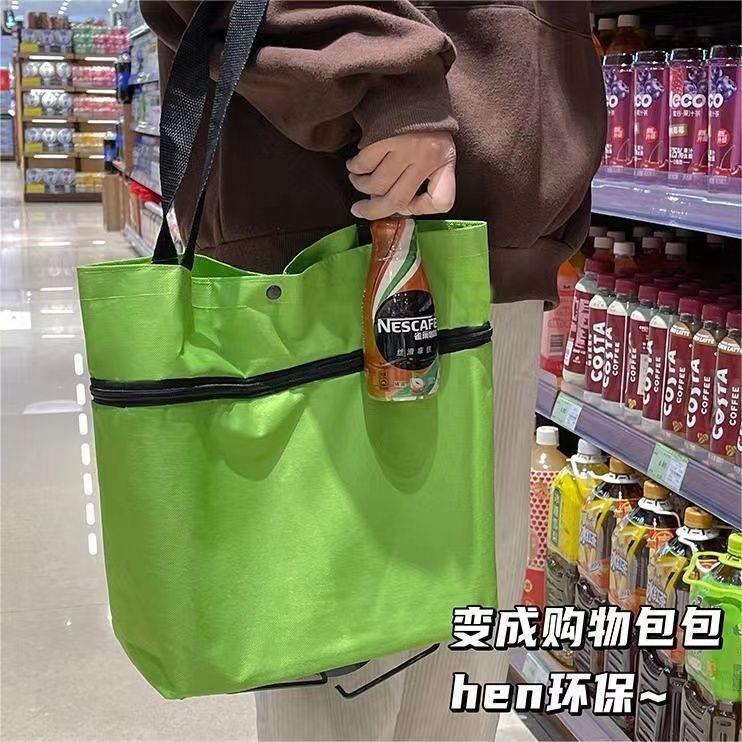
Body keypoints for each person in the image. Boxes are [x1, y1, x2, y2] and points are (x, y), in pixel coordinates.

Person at [140, 1, 605, 739]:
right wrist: (384, 75)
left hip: (496, 244)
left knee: (461, 658)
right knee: (338, 676)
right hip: (330, 218)